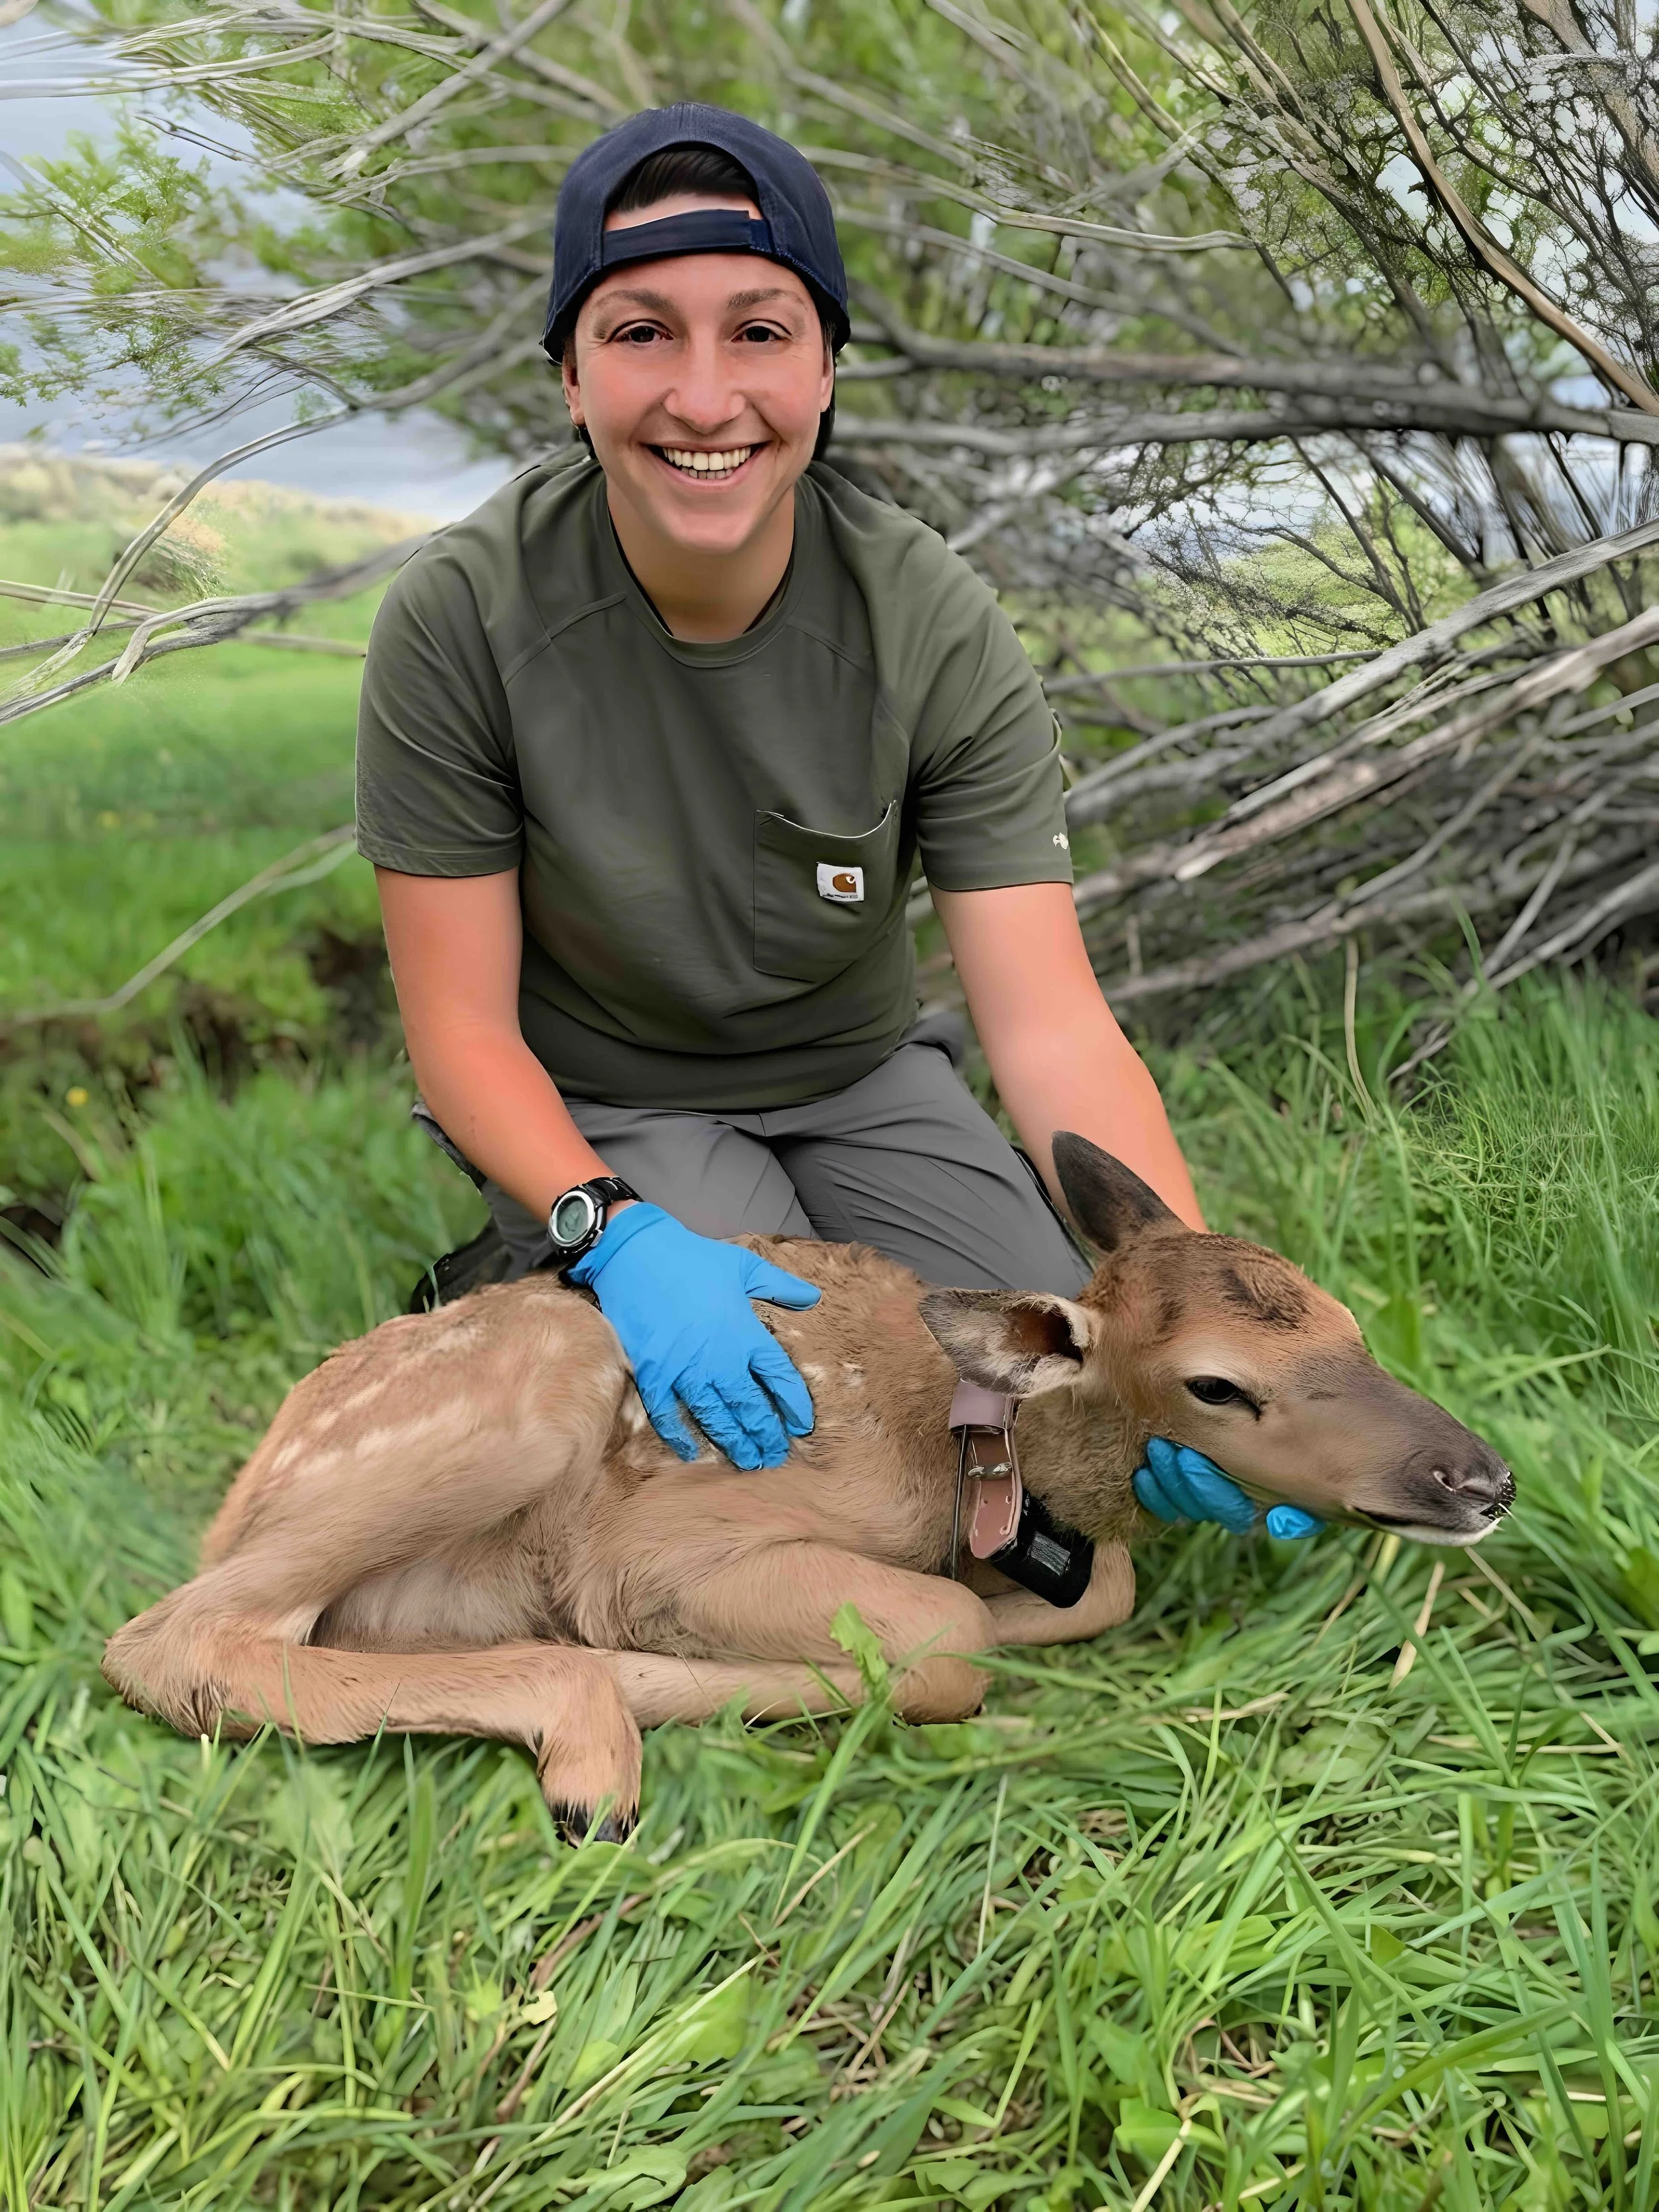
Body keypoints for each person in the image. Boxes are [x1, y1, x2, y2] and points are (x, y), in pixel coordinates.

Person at [356, 103, 1319, 1541]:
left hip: (863, 1077)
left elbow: (1046, 1019)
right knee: (784, 1402)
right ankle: (536, 1252)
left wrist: (1176, 1318)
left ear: (822, 372)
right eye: (639, 334)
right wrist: (616, 1233)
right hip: (613, 1098)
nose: (702, 397)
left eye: (757, 331)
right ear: (568, 374)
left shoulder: (928, 621)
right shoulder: (457, 619)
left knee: (1042, 1377)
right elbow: (460, 1029)